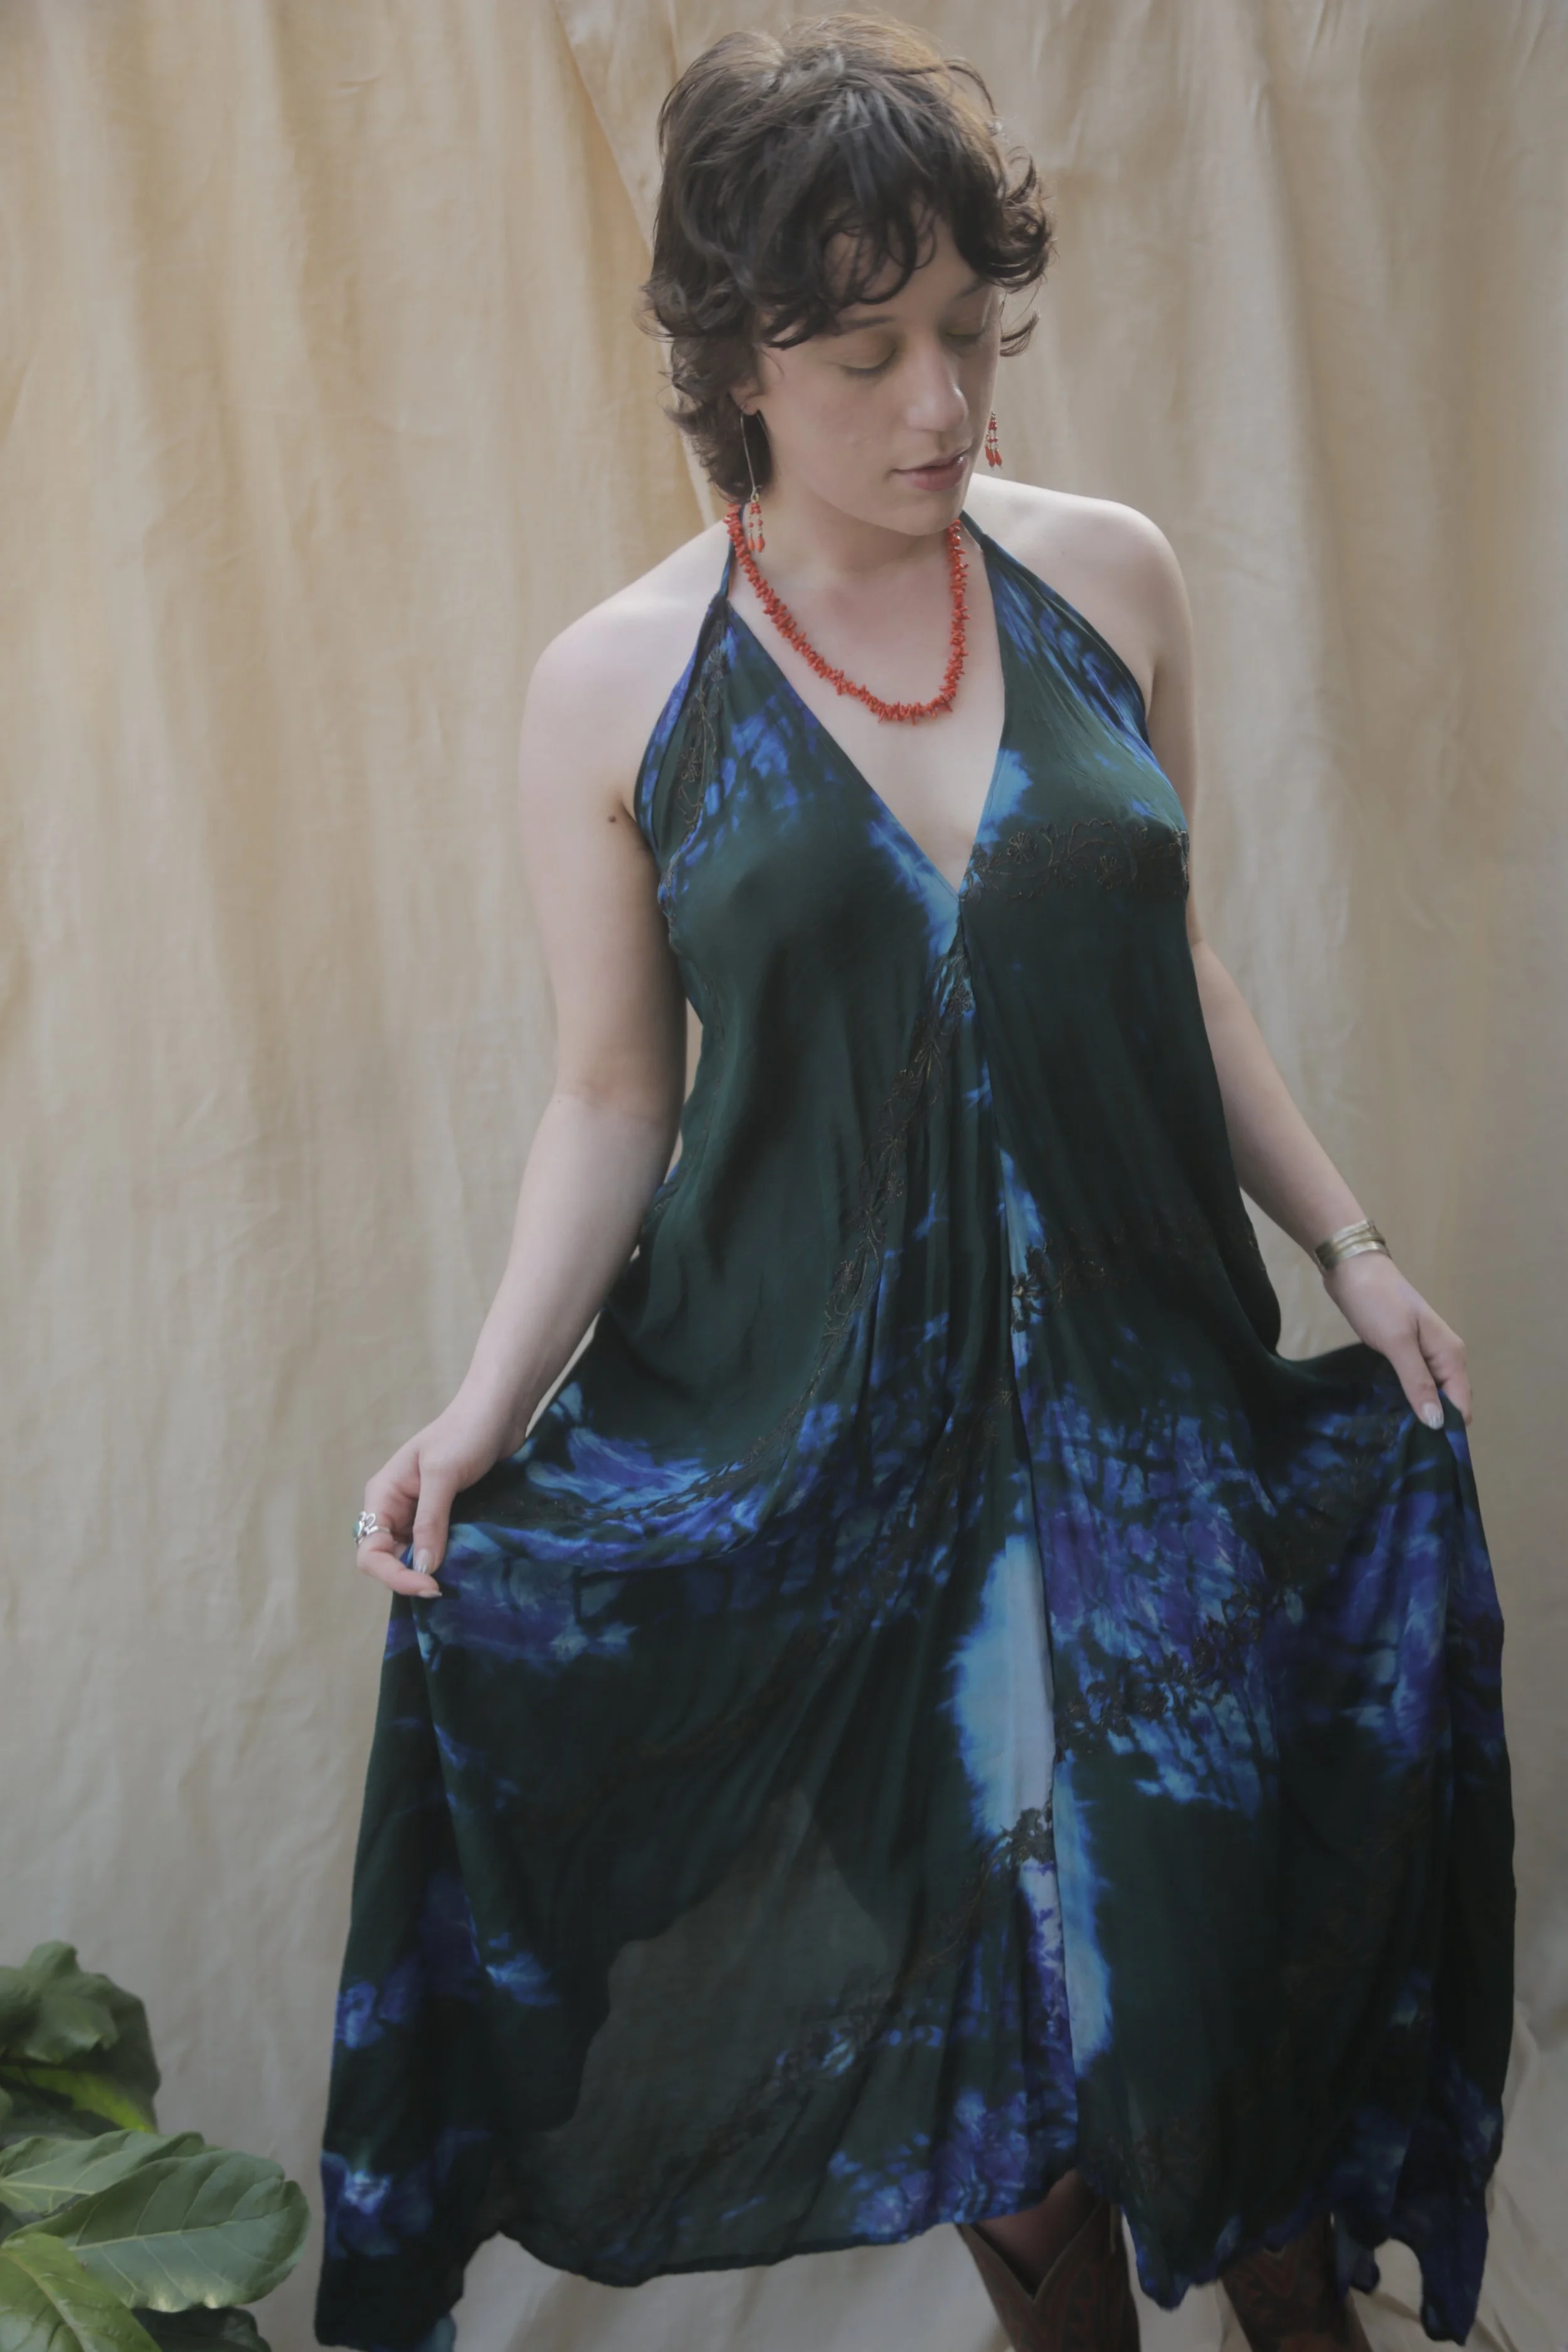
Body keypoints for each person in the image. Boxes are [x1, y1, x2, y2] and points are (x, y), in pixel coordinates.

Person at [315, 19, 1514, 2352]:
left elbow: (1176, 959)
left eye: (969, 331)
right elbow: (610, 1098)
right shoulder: (612, 687)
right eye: (865, 354)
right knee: (1007, 2068)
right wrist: (480, 1407)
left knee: (1214, 1990)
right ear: (732, 364)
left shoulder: (1107, 581)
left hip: (1149, 1419)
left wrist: (1350, 1247)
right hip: (827, 1469)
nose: (940, 402)